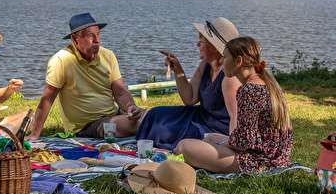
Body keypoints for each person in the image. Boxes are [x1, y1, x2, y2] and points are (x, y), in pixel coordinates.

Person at [176, 36, 293, 174]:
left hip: (258, 164)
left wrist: (221, 144)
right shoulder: (267, 84)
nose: (221, 60)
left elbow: (243, 144)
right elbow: (250, 136)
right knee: (210, 137)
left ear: (238, 61)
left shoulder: (248, 90)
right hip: (275, 158)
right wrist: (216, 142)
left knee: (183, 146)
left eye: (224, 57)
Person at [26, 12, 145, 141]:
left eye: (98, 34)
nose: (97, 40)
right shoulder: (61, 60)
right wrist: (35, 134)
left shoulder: (108, 55)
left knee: (155, 117)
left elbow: (121, 93)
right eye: (90, 36)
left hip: (114, 114)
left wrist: (130, 106)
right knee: (137, 125)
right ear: (74, 39)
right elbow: (47, 99)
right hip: (86, 126)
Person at [135, 17, 241, 149]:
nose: (197, 44)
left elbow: (237, 117)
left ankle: (155, 149)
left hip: (216, 129)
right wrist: (177, 70)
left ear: (214, 47)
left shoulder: (230, 78)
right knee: (154, 114)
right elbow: (190, 98)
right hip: (200, 116)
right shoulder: (205, 64)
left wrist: (231, 146)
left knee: (164, 131)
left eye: (201, 41)